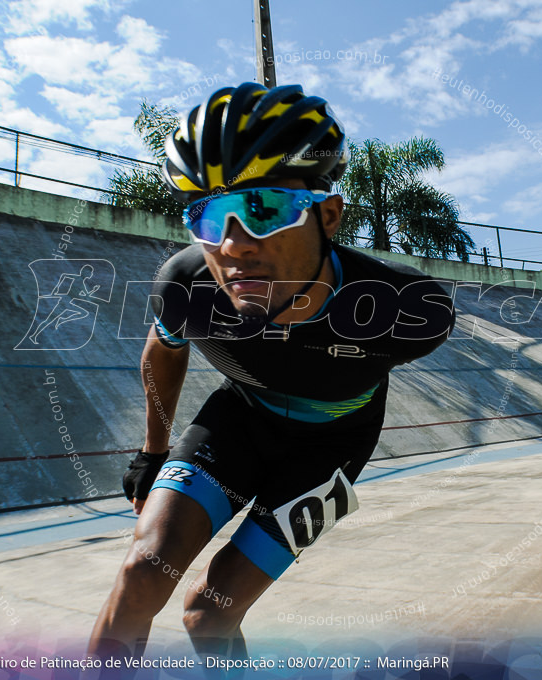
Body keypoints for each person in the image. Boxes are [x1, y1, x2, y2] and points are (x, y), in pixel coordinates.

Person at [87, 82, 455, 668]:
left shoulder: (407, 311)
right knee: (139, 574)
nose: (236, 245)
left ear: (328, 215)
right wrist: (152, 454)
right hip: (241, 419)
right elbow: (164, 349)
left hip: (332, 445)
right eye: (210, 216)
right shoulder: (186, 286)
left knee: (209, 612)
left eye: (266, 209)